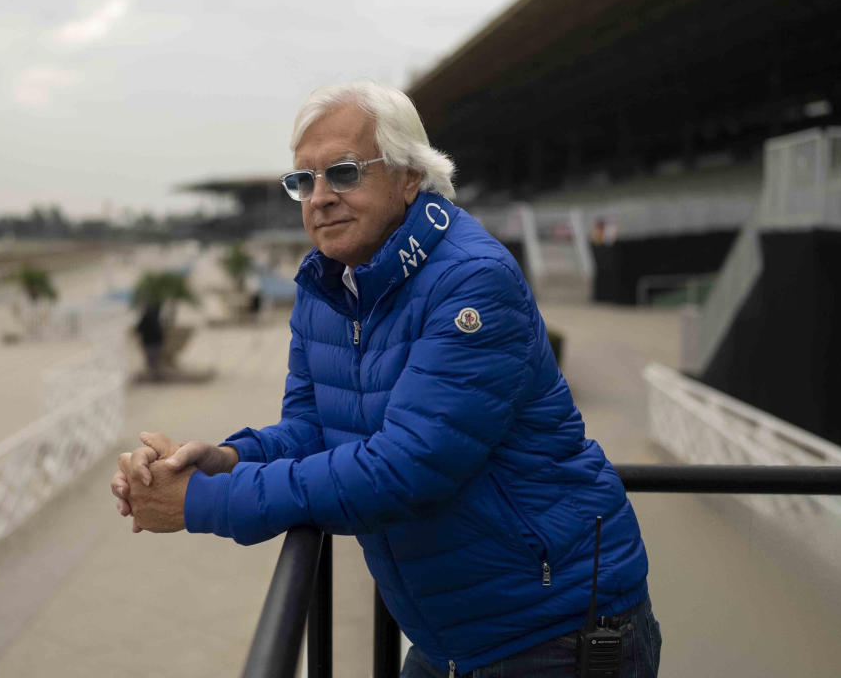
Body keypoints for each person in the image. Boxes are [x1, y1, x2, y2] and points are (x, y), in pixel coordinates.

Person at [111, 81, 660, 677]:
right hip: (449, 634)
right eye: (303, 180)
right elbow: (312, 429)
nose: (319, 197)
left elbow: (406, 469)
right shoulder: (326, 285)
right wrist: (223, 460)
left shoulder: (473, 280)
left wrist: (200, 504)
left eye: (343, 173)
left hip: (555, 631)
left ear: (408, 177)